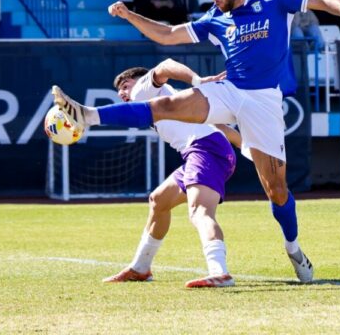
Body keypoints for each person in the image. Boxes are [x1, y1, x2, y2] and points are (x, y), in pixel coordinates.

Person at [52, 0, 340, 285]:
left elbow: (319, 1)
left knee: (277, 191)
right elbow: (168, 35)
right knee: (165, 105)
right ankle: (87, 115)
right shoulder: (215, 19)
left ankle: (294, 249)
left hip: (264, 101)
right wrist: (131, 16)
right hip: (230, 90)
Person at [102, 61, 239, 287]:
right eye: (120, 90)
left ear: (140, 81)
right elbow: (220, 127)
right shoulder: (168, 101)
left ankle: (220, 272)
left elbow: (165, 66)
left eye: (125, 85)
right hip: (204, 151)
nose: (122, 92)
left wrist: (197, 80)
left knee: (199, 212)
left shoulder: (143, 91)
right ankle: (140, 268)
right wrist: (251, 150)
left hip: (205, 149)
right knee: (159, 201)